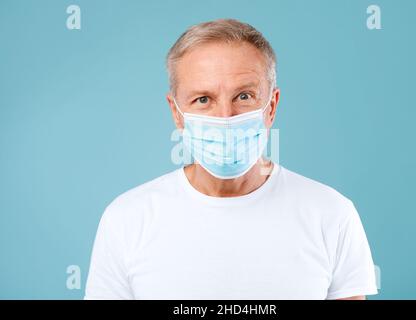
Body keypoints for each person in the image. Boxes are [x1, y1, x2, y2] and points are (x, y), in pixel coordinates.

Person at [85, 18, 378, 300]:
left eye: (244, 96)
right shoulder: (126, 219)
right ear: (177, 113)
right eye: (203, 99)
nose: (225, 117)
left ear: (271, 106)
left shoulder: (332, 215)